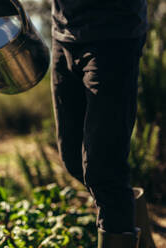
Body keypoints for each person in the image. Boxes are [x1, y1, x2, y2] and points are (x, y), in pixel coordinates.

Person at [50, 1, 153, 247]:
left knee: (104, 169)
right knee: (74, 158)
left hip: (113, 35)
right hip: (64, 33)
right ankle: (138, 234)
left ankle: (120, 226)